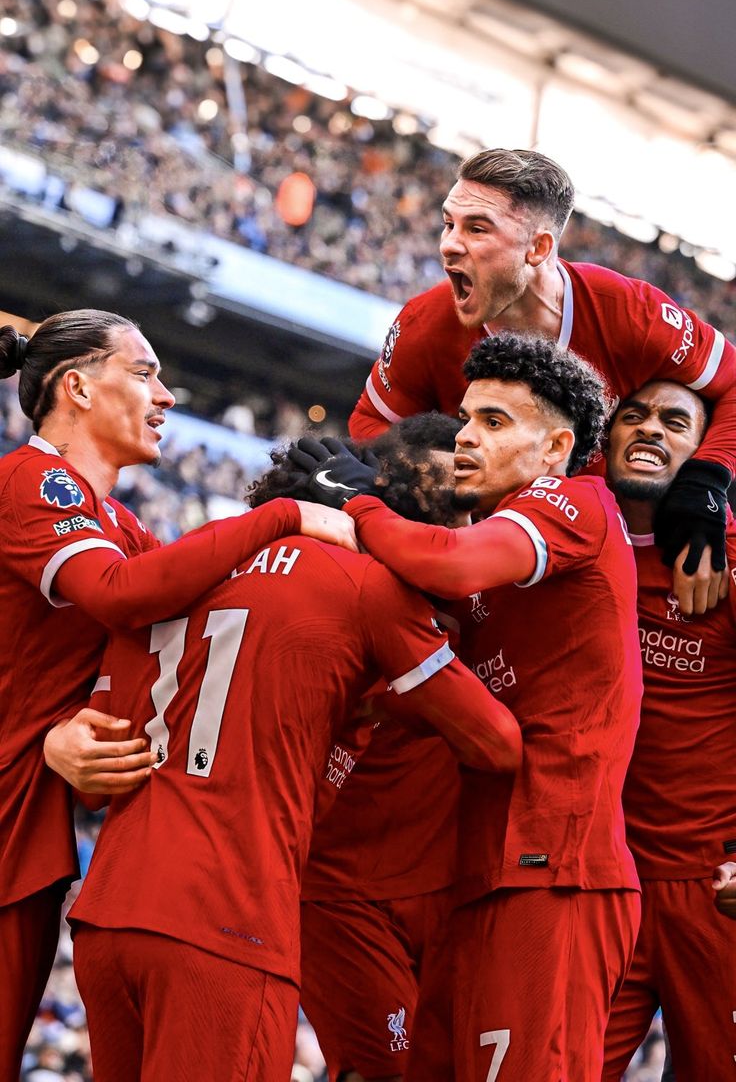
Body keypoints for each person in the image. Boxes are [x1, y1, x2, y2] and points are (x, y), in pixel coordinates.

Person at [62, 429, 521, 1082]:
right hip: (231, 924)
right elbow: (497, 743)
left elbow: (92, 785)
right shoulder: (367, 586)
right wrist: (390, 702)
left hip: (109, 919)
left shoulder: (173, 572)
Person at [0, 309, 354, 1078]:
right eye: (144, 371)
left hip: (29, 820)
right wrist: (285, 514)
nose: (166, 393)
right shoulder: (35, 479)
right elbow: (121, 595)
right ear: (78, 388)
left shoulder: (124, 524)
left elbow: (177, 632)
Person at [297, 331, 642, 1081]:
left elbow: (445, 564)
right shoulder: (496, 557)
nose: (465, 438)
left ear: (555, 447)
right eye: (466, 418)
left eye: (493, 422)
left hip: (558, 868)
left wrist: (354, 499)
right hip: (486, 869)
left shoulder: (572, 501)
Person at [349, 147, 736, 613]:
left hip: (628, 562)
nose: (449, 244)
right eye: (448, 223)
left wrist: (704, 483)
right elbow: (370, 426)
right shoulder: (425, 324)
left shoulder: (630, 312)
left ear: (538, 248)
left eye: (476, 228)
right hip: (491, 566)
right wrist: (434, 482)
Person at [299, 412, 463, 1082]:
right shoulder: (344, 589)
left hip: (455, 889)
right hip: (340, 893)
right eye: (424, 505)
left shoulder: (503, 585)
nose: (447, 524)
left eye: (460, 505)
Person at [601, 379, 736, 1082]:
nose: (650, 429)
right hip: (602, 885)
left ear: (702, 449)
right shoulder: (565, 539)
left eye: (673, 421)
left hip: (714, 892)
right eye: (635, 415)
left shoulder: (727, 557)